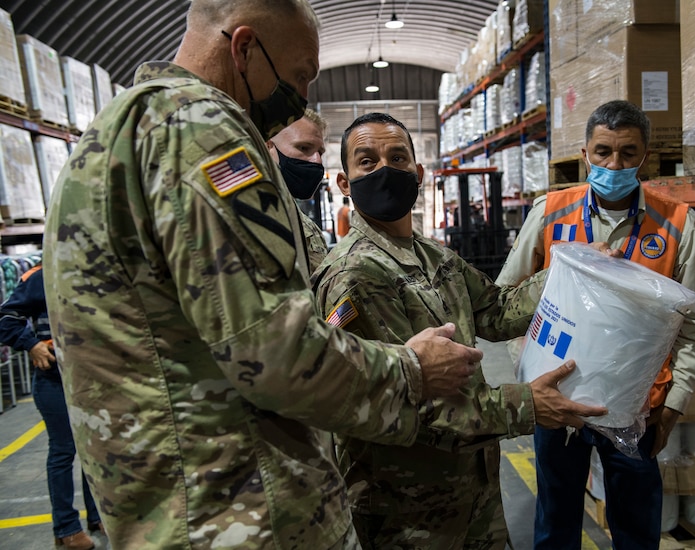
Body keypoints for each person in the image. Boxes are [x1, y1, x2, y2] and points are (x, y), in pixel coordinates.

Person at [41, 1, 483, 548]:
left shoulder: (115, 132)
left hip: (170, 509)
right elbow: (278, 352)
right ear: (244, 48)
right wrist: (412, 371)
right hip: (242, 515)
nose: (300, 97)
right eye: (299, 76)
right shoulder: (201, 129)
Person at [312, 112, 610, 549]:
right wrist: (527, 405)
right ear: (344, 182)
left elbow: (498, 310)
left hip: (473, 492)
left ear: (418, 173)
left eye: (397, 158)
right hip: (408, 512)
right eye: (367, 161)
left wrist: (570, 268)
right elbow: (405, 404)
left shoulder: (434, 257)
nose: (384, 171)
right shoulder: (355, 274)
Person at [495, 100, 695, 549]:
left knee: (636, 527)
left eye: (628, 153)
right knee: (556, 521)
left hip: (639, 409)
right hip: (559, 402)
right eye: (603, 152)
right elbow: (505, 301)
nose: (615, 164)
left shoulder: (676, 224)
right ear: (585, 153)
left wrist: (672, 407)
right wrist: (529, 371)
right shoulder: (550, 214)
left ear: (645, 156)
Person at [0, 265, 104, 550]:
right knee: (64, 450)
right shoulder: (40, 276)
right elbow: (5, 319)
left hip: (94, 380)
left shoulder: (94, 267)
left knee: (92, 449)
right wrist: (31, 344)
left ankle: (97, 515)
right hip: (54, 381)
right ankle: (66, 528)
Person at [268, 107, 329, 270]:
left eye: (320, 153)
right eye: (304, 148)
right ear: (269, 146)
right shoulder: (248, 216)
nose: (316, 160)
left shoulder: (311, 230)